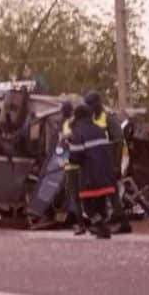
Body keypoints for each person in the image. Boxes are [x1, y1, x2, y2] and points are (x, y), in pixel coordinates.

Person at [84, 91, 131, 234]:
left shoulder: (109, 119)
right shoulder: (93, 119)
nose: (89, 108)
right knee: (104, 192)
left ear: (98, 103)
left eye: (91, 104)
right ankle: (103, 224)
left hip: (114, 160)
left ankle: (123, 223)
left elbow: (118, 142)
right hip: (102, 163)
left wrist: (117, 166)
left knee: (112, 192)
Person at [69, 104, 116, 239]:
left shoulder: (78, 132)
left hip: (90, 175)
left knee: (88, 206)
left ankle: (102, 227)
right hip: (105, 173)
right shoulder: (99, 130)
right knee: (100, 204)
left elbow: (75, 157)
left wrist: (69, 147)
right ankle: (101, 229)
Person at [60, 101, 86, 236]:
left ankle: (81, 225)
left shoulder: (70, 124)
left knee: (76, 197)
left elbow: (69, 141)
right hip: (75, 164)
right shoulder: (71, 123)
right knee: (79, 196)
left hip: (73, 165)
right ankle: (84, 222)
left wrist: (65, 139)